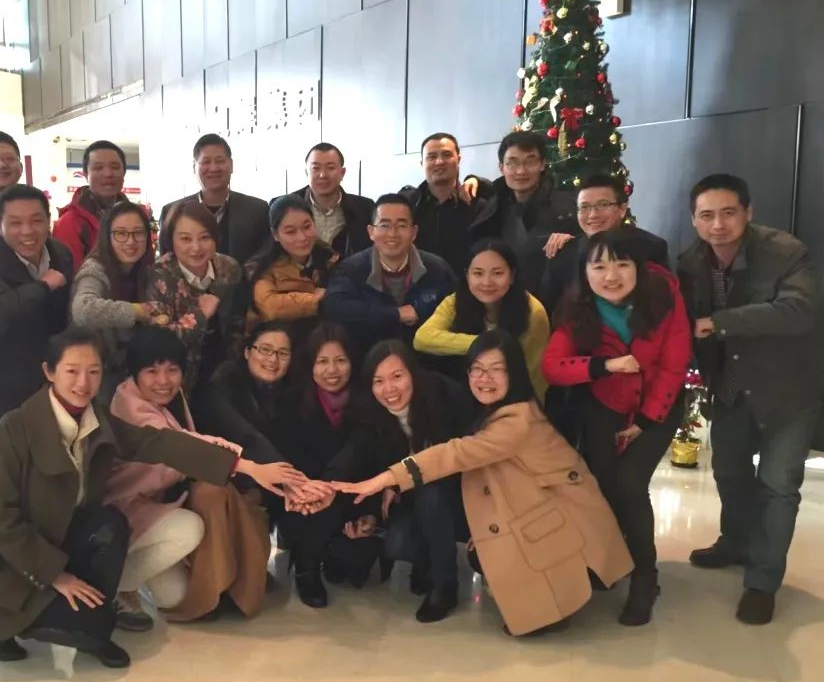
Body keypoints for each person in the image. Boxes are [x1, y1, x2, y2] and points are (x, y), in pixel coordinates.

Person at [0, 327, 241, 670]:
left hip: (63, 541)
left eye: (93, 371)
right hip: (10, 562)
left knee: (110, 525)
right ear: (49, 372)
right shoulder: (15, 427)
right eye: (72, 371)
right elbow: (0, 519)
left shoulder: (98, 419)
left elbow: (156, 442)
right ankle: (0, 628)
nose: (83, 383)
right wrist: (56, 576)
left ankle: (95, 628)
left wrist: (240, 465)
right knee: (62, 622)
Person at [335, 330, 634, 636]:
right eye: (476, 370)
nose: (484, 378)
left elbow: (456, 453)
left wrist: (389, 478)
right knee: (409, 538)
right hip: (516, 501)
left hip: (554, 513)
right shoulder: (490, 408)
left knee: (488, 548)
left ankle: (555, 601)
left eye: (495, 369)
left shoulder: (512, 418)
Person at [677, 174, 824, 625]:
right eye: (706, 215)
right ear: (694, 220)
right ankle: (736, 542)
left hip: (788, 388)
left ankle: (762, 582)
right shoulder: (690, 262)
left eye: (728, 212)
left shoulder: (785, 252)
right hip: (731, 385)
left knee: (779, 486)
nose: (718, 224)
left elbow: (798, 311)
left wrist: (718, 322)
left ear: (748, 212)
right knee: (729, 472)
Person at [542, 228, 691, 626]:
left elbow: (674, 363)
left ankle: (645, 576)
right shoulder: (577, 308)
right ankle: (610, 561)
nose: (611, 276)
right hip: (605, 402)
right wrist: (602, 366)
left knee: (629, 484)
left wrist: (645, 420)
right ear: (585, 273)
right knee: (604, 486)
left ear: (639, 268)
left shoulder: (664, 298)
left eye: (622, 264)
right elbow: (552, 367)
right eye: (599, 267)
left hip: (658, 405)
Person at [106, 327, 302, 624]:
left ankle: (134, 578)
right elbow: (184, 446)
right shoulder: (131, 407)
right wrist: (251, 467)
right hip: (128, 511)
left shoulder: (173, 397)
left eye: (172, 370)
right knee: (189, 528)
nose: (163, 381)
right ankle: (112, 587)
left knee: (176, 596)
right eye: (152, 371)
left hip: (160, 503)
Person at [0, 184, 74, 495]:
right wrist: (45, 285)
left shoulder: (60, 253)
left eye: (37, 220)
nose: (28, 231)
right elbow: (3, 310)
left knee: (42, 459)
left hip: (44, 375)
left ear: (49, 221)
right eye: (16, 222)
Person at [352, 340, 474, 623]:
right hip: (407, 498)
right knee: (397, 544)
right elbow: (362, 460)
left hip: (454, 491)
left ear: (413, 373)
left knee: (431, 495)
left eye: (397, 376)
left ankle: (445, 584)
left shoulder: (445, 396)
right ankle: (428, 563)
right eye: (378, 381)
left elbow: (465, 455)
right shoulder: (367, 412)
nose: (389, 389)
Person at [271, 323, 382, 608]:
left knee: (353, 569)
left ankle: (332, 554)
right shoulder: (292, 399)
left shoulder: (369, 398)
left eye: (340, 360)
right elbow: (288, 456)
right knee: (313, 512)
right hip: (305, 496)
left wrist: (367, 508)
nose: (332, 370)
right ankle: (306, 570)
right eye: (322, 362)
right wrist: (308, 490)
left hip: (351, 494)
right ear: (309, 365)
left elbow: (367, 454)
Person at [415, 238, 550, 399]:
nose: (487, 282)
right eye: (478, 273)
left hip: (515, 398)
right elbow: (422, 339)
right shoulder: (455, 301)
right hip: (470, 392)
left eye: (497, 273)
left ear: (512, 276)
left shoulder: (533, 312)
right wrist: (484, 344)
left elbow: (536, 377)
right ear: (467, 275)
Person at [321, 193, 457, 353]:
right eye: (384, 225)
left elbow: (459, 308)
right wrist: (395, 314)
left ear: (414, 232)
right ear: (371, 232)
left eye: (402, 225)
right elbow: (334, 307)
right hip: (368, 359)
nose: (392, 234)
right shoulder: (352, 269)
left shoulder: (438, 269)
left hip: (425, 359)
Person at [146, 202, 248, 395]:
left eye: (204, 237)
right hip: (176, 380)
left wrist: (233, 366)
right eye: (185, 239)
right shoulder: (159, 275)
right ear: (171, 240)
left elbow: (238, 324)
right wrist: (199, 315)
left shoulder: (229, 268)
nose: (196, 247)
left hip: (224, 374)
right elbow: (161, 341)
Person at [70, 201, 166, 400]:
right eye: (121, 234)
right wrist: (138, 311)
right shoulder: (95, 269)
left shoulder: (144, 270)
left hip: (130, 374)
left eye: (138, 233)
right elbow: (83, 309)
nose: (130, 241)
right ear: (107, 237)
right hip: (95, 378)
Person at [466, 131, 578, 299]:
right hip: (504, 301)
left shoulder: (567, 207)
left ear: (543, 164)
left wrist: (573, 241)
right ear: (501, 168)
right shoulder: (494, 206)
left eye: (529, 162)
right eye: (512, 163)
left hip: (553, 302)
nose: (520, 171)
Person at [541, 173, 669, 310]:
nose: (593, 215)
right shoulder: (563, 252)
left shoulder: (650, 247)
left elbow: (663, 303)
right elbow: (549, 308)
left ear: (622, 209)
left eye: (603, 205)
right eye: (584, 207)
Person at [159, 133, 271, 265]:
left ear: (231, 165)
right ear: (194, 167)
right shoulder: (171, 212)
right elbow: (166, 264)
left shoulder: (258, 210)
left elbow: (264, 261)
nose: (213, 168)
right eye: (206, 162)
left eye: (220, 161)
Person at [197, 320, 296, 465]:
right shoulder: (223, 384)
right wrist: (290, 475)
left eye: (282, 353)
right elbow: (247, 438)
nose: (273, 359)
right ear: (247, 352)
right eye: (265, 350)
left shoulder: (290, 392)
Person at [400, 132, 498, 278]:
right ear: (422, 163)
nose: (439, 162)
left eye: (446, 155)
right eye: (431, 157)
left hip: (466, 288)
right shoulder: (408, 205)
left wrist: (477, 180)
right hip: (417, 288)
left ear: (458, 160)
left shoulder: (478, 206)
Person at [53, 140, 156, 271]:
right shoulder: (69, 222)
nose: (108, 174)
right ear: (86, 175)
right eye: (98, 168)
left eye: (115, 167)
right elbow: (71, 276)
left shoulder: (136, 217)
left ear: (124, 173)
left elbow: (147, 263)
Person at [246, 195, 338, 339]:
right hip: (277, 341)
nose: (302, 237)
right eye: (291, 232)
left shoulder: (329, 257)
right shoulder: (261, 267)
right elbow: (270, 307)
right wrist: (315, 299)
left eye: (307, 227)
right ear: (275, 235)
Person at [288, 142, 374, 257]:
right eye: (316, 168)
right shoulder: (286, 206)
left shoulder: (365, 208)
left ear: (342, 173)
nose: (323, 175)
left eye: (330, 168)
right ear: (306, 172)